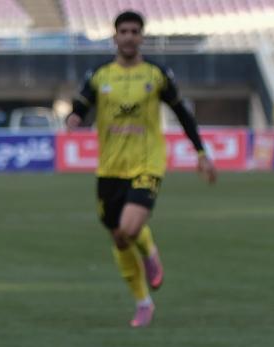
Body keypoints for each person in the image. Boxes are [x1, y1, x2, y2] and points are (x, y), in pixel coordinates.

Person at [66, 9, 217, 328]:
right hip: (110, 167)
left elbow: (182, 113)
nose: (129, 37)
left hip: (147, 163)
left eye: (135, 32)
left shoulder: (156, 74)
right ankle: (143, 301)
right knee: (119, 238)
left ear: (142, 37)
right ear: (115, 37)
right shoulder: (100, 75)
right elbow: (80, 104)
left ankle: (148, 252)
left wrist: (201, 152)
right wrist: (74, 117)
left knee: (129, 228)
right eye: (124, 31)